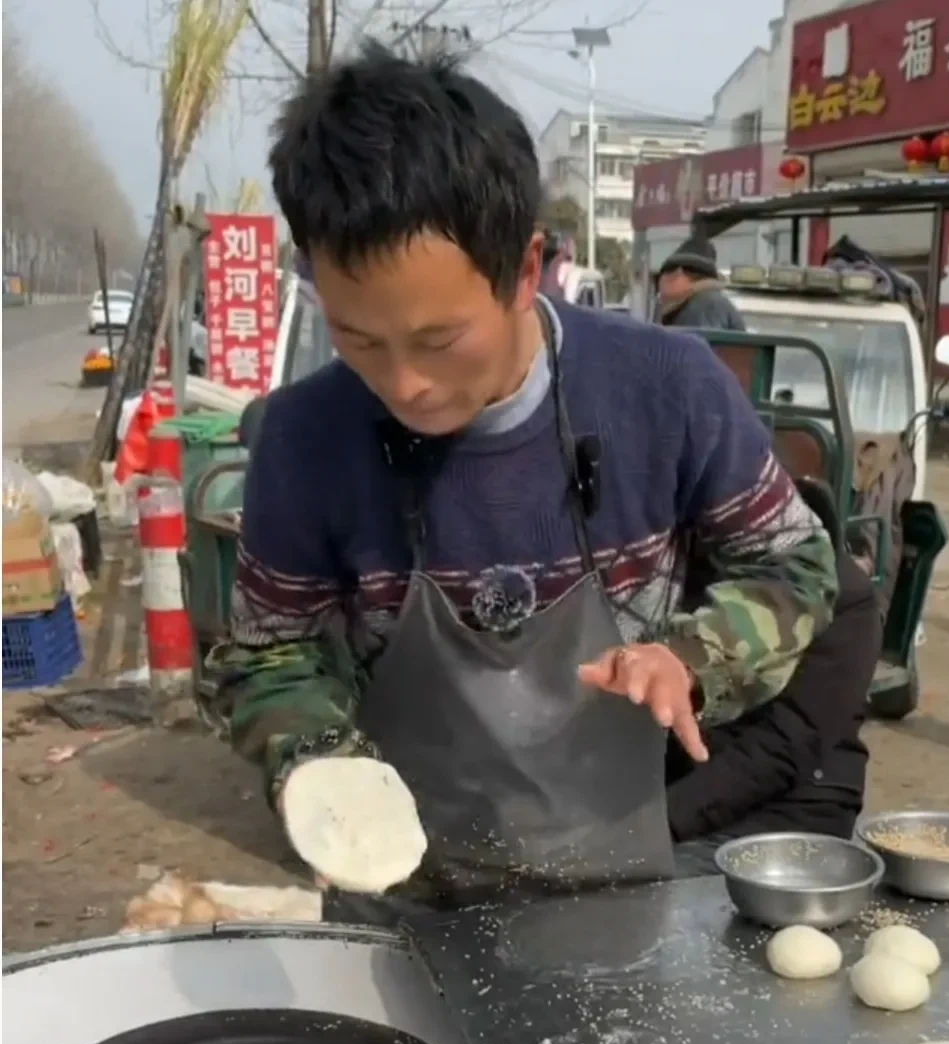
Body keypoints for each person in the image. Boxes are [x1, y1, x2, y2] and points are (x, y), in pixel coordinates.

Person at [214, 44, 836, 902]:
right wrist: (317, 758)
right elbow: (265, 654)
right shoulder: (304, 437)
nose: (405, 385)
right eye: (359, 339)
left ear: (526, 269)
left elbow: (794, 566)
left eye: (438, 340)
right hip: (407, 876)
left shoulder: (669, 389)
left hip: (621, 870)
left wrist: (693, 654)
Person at [666, 481, 882, 860]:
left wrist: (660, 821)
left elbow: (785, 743)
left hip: (794, 806)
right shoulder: (691, 571)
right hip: (693, 788)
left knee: (645, 888)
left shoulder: (845, 597)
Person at [654, 237, 746, 332]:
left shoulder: (705, 304)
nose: (660, 286)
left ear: (678, 273)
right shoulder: (686, 303)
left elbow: (698, 345)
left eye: (665, 274)